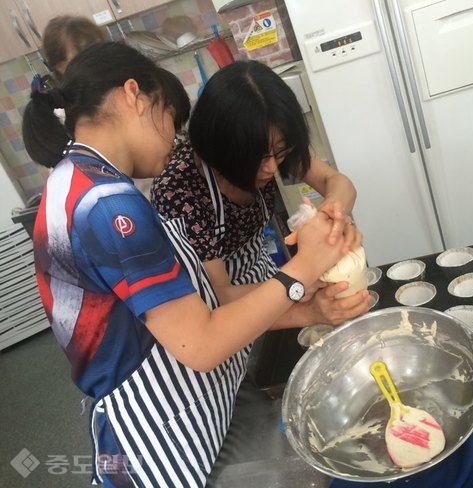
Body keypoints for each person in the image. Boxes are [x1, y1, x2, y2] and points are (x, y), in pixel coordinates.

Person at [22, 41, 359, 487]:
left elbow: (181, 317)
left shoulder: (78, 184)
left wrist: (307, 308)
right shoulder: (106, 206)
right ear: (133, 95)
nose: (174, 140)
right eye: (170, 118)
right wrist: (303, 271)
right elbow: (200, 344)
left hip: (190, 412)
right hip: (155, 439)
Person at [150, 60, 368, 327]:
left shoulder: (269, 142)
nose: (272, 167)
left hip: (270, 278)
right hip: (226, 314)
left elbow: (336, 181)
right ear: (223, 147)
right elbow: (220, 295)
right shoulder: (180, 191)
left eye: (280, 151)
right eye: (257, 157)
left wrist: (333, 209)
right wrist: (298, 283)